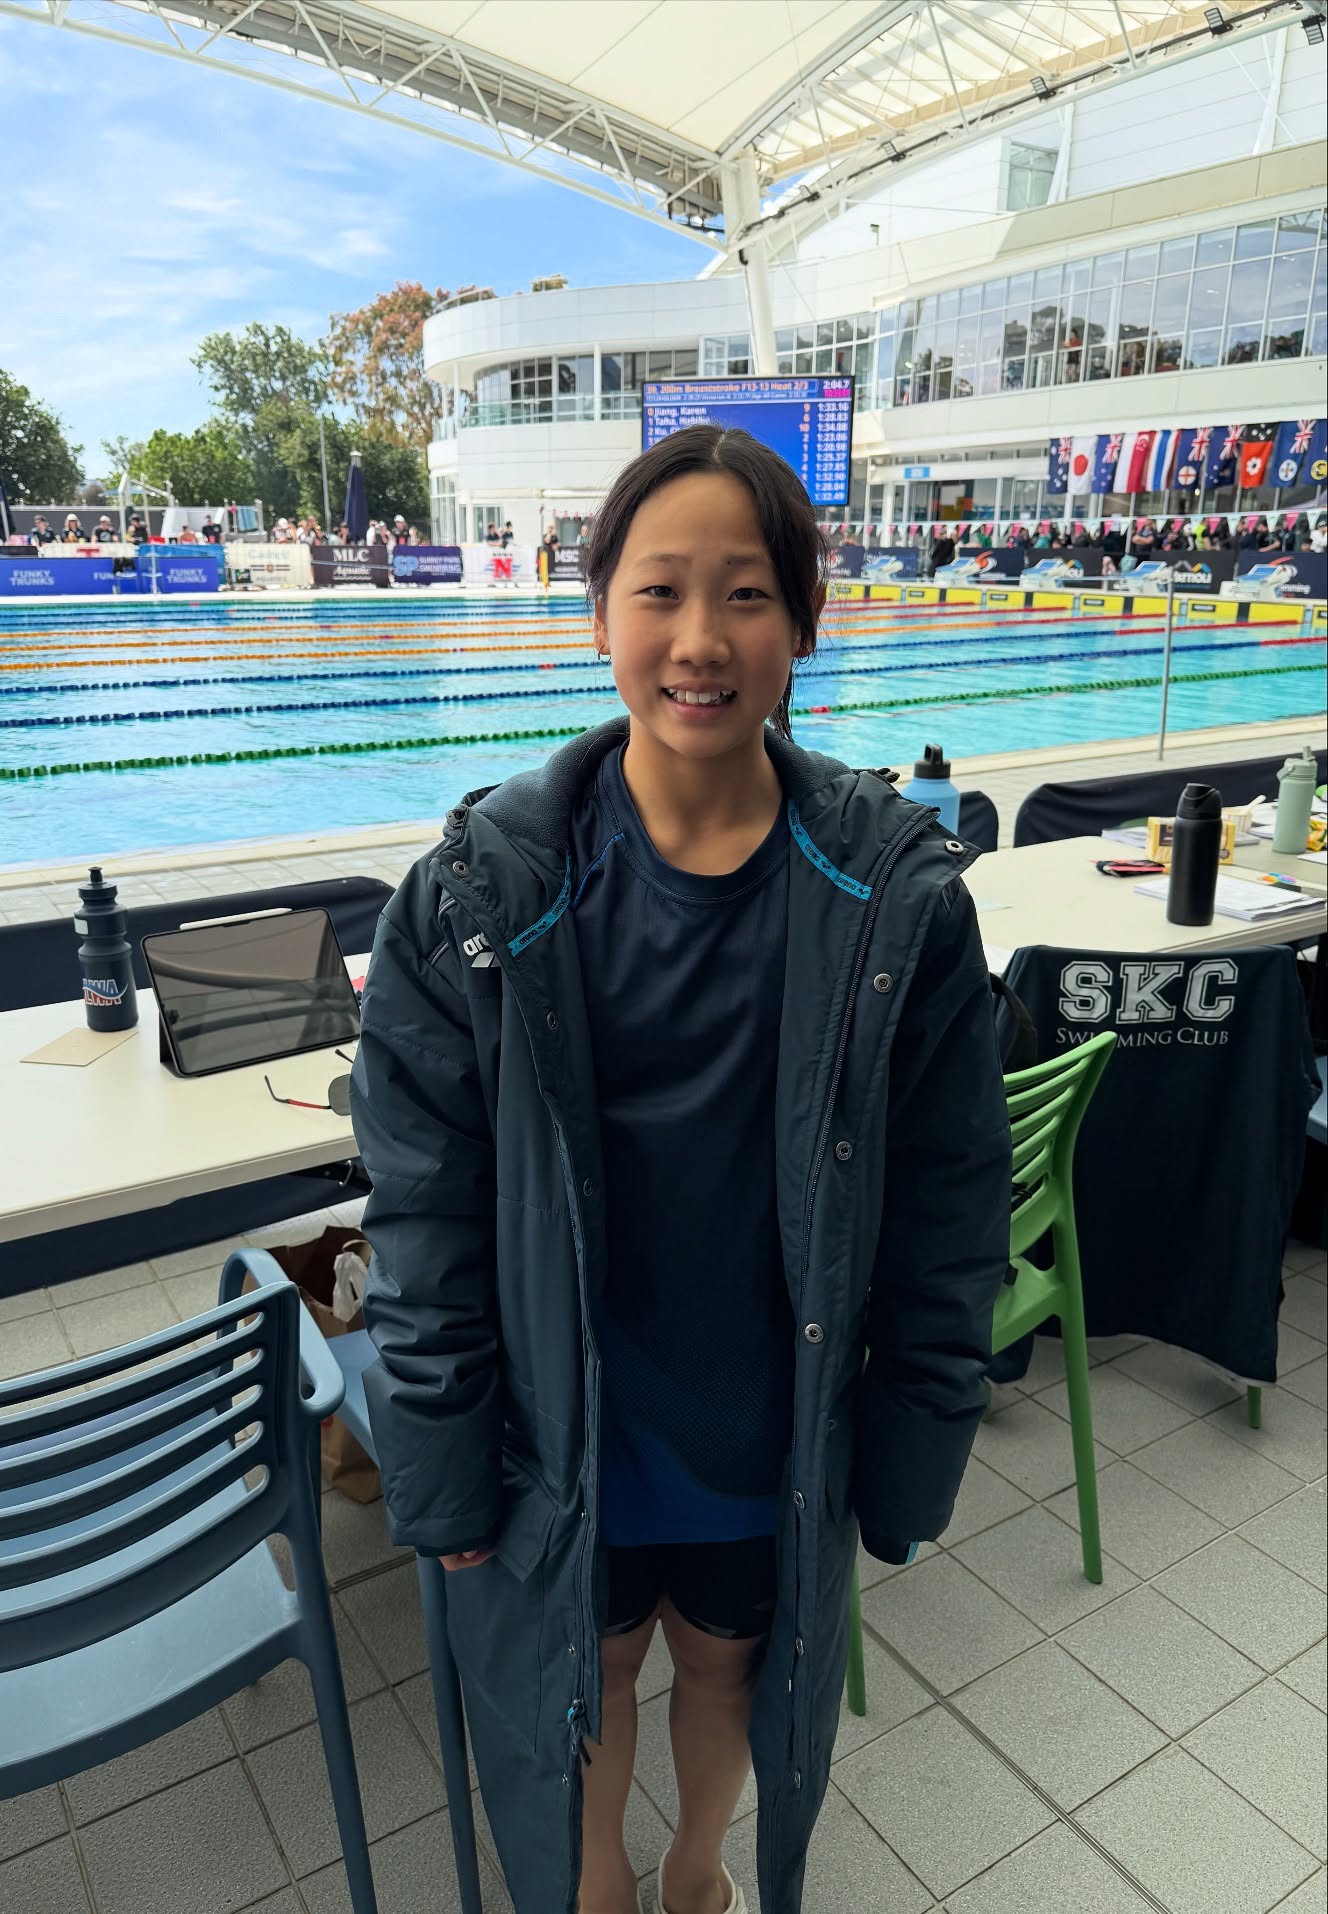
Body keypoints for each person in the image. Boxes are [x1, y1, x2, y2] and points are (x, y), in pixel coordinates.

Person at [350, 423, 1011, 1914]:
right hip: (564, 1425)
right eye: (659, 591)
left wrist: (913, 1445)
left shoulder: (894, 902)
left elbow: (949, 1204)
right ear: (599, 616)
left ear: (803, 626)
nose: (700, 639)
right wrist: (443, 1466)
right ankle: (597, 1885)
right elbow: (426, 1215)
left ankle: (699, 1871)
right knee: (585, 1682)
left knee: (727, 1666)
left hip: (765, 1421)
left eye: (746, 594)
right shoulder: (479, 896)